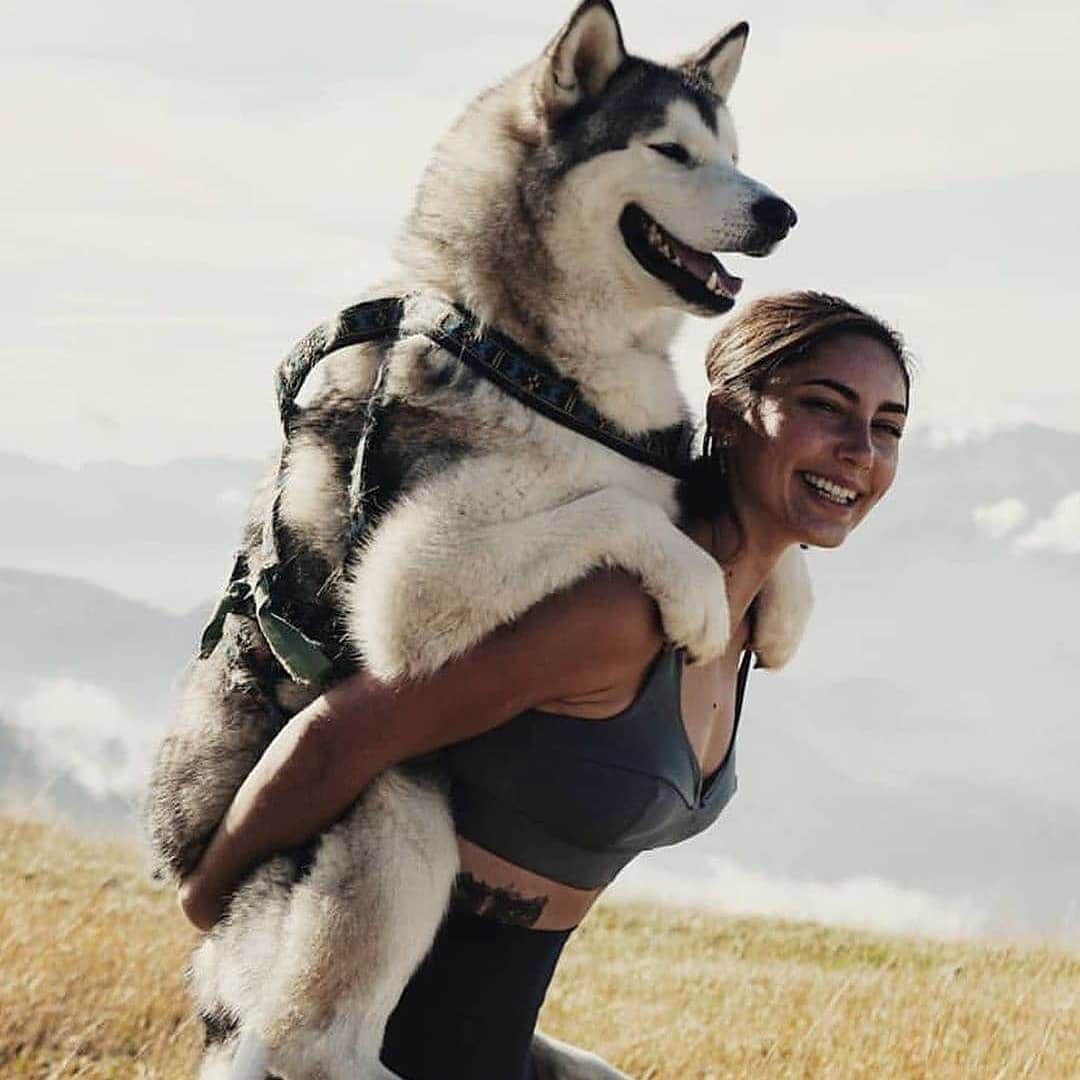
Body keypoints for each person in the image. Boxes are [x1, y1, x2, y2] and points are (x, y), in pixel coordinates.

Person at [178, 291, 911, 1079]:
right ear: (729, 415)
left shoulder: (751, 617)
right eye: (825, 408)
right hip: (357, 1048)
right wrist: (210, 900)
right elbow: (341, 734)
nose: (859, 448)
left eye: (887, 427)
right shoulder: (617, 610)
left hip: (485, 1050)